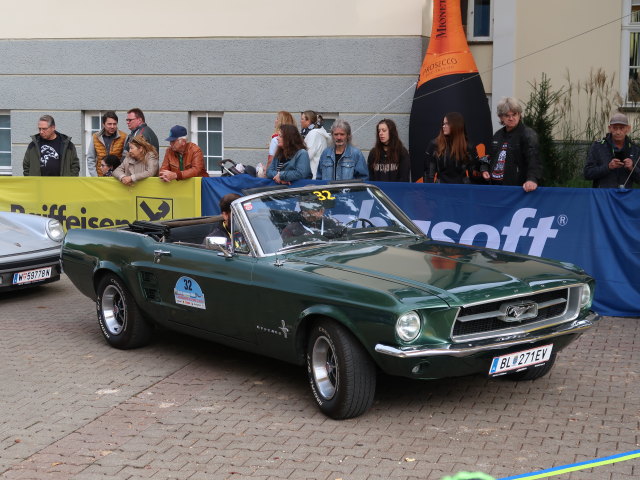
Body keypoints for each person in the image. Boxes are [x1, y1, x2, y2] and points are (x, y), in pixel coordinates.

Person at [481, 97, 541, 192]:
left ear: (519, 114)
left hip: (516, 189)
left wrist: (532, 179)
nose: (511, 118)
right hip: (494, 187)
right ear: (501, 117)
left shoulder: (528, 134)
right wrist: (484, 169)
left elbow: (534, 159)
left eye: (514, 114)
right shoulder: (497, 135)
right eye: (507, 115)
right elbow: (487, 156)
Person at [584, 112, 640, 188]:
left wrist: (632, 168)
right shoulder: (598, 146)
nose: (618, 132)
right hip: (603, 195)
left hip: (625, 196)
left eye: (622, 128)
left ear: (628, 129)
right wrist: (608, 167)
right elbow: (587, 174)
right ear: (609, 128)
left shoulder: (635, 149)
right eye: (615, 128)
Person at [424, 112, 481, 184]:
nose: (443, 126)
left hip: (462, 190)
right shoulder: (434, 145)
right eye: (443, 124)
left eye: (447, 123)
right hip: (440, 190)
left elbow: (474, 174)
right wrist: (430, 192)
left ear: (456, 125)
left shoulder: (468, 146)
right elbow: (428, 174)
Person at [86, 111, 127, 177]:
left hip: (117, 178)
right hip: (99, 177)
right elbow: (91, 158)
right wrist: (95, 177)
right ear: (103, 124)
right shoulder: (95, 137)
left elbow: (125, 159)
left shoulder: (124, 137)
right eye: (109, 124)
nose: (112, 126)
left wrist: (121, 175)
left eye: (114, 124)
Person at [301, 110, 330, 179]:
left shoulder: (313, 134)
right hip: (316, 170)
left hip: (313, 172)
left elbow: (308, 155)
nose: (300, 121)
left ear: (308, 121)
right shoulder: (317, 132)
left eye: (302, 119)